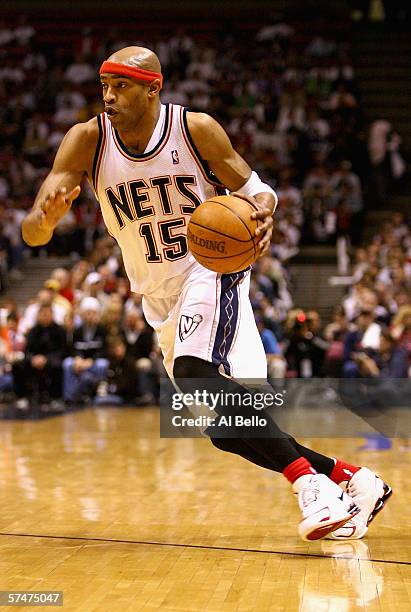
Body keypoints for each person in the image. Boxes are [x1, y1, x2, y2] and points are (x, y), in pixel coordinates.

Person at [22, 46, 391, 541]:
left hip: (209, 267)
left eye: (121, 86)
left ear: (154, 88)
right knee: (225, 430)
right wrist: (43, 220)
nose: (108, 96)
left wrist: (261, 210)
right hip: (157, 297)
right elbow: (33, 233)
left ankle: (312, 488)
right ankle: (353, 479)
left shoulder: (194, 129)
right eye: (103, 87)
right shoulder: (86, 140)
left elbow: (256, 187)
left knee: (198, 373)